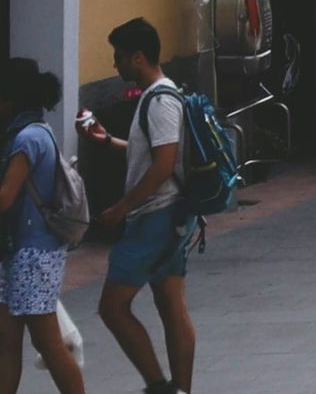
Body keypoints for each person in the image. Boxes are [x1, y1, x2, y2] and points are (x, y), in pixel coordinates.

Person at [0, 60, 86, 394]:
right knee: (6, 335)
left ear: (10, 98)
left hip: (34, 254)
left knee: (49, 342)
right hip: (26, 250)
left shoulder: (27, 140)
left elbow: (3, 199)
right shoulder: (36, 131)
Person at [93, 19, 197, 394]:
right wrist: (110, 142)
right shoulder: (158, 97)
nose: (115, 65)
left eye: (119, 57)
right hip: (167, 216)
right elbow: (152, 153)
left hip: (154, 216)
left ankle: (159, 386)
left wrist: (122, 207)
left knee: (112, 307)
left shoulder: (160, 100)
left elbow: (164, 163)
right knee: (171, 305)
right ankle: (179, 390)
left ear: (138, 57)